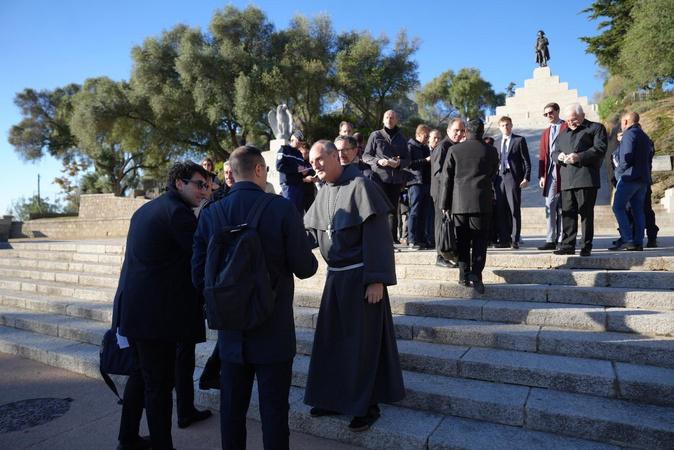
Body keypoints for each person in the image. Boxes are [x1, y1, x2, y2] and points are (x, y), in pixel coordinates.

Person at [192, 146, 318, 450]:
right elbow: (305, 269)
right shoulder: (282, 208)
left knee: (232, 412)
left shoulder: (211, 213)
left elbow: (198, 276)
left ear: (231, 174)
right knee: (275, 413)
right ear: (260, 170)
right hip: (274, 329)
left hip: (231, 333)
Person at [304, 140, 405, 432]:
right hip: (335, 279)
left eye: (320, 159)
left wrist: (377, 279)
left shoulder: (362, 186)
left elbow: (378, 238)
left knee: (363, 345)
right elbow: (310, 233)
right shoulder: (323, 193)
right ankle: (330, 397)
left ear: (336, 157)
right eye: (312, 162)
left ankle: (367, 405)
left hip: (362, 279)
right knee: (332, 342)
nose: (316, 166)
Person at [113, 161, 211, 450]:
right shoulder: (178, 214)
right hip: (157, 318)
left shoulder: (146, 209)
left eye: (206, 185)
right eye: (199, 184)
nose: (204, 191)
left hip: (137, 311)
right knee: (158, 386)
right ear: (179, 183)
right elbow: (199, 258)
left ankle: (127, 439)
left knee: (141, 378)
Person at [439, 119, 499, 294]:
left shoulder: (454, 150)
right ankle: (477, 275)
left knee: (463, 241)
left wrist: (444, 204)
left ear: (466, 131)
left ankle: (463, 275)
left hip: (459, 203)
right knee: (480, 242)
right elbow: (493, 173)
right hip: (482, 202)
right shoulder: (491, 151)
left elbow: (446, 180)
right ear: (482, 131)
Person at [552, 103, 607, 257]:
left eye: (574, 119)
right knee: (567, 214)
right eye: (568, 120)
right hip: (567, 179)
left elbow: (600, 149)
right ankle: (567, 245)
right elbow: (554, 153)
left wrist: (579, 156)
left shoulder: (596, 128)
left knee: (586, 214)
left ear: (583, 115)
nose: (571, 123)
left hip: (586, 178)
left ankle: (586, 246)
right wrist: (559, 157)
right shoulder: (563, 134)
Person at [362, 110, 410, 243]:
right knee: (379, 209)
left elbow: (408, 159)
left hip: (395, 179)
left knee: (393, 210)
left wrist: (399, 163)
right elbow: (365, 156)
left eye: (392, 117)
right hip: (379, 178)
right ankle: (378, 239)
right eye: (387, 117)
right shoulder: (375, 135)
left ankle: (392, 240)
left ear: (396, 120)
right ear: (383, 120)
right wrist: (378, 161)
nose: (389, 119)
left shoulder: (401, 137)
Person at [609, 112, 653, 251]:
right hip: (643, 179)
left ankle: (628, 239)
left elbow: (626, 158)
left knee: (618, 207)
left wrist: (618, 173)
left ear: (627, 121)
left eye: (622, 122)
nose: (621, 125)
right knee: (638, 210)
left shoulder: (629, 134)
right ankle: (638, 242)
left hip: (629, 177)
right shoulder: (644, 136)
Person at [431, 118, 465, 267]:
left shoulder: (456, 146)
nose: (459, 133)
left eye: (462, 130)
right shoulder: (443, 146)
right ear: (448, 130)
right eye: (456, 130)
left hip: (452, 192)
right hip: (441, 192)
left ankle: (449, 252)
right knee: (441, 224)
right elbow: (438, 173)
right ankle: (440, 256)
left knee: (448, 225)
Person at [494, 116, 531, 249]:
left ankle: (515, 239)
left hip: (513, 178)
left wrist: (526, 177)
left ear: (512, 125)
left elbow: (526, 160)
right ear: (499, 127)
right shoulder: (496, 142)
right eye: (503, 125)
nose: (506, 127)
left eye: (508, 125)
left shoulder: (519, 140)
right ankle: (504, 239)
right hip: (499, 178)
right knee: (500, 210)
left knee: (514, 209)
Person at [537, 103, 566, 251]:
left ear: (557, 111)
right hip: (550, 173)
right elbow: (543, 155)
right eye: (546, 114)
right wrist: (541, 175)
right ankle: (550, 239)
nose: (548, 116)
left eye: (550, 112)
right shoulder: (545, 133)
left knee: (563, 207)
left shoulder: (566, 127)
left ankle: (561, 238)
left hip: (565, 171)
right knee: (550, 205)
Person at [406, 124, 433, 249]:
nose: (428, 138)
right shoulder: (410, 146)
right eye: (426, 136)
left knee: (424, 212)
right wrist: (425, 160)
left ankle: (421, 239)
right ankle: (411, 239)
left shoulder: (425, 147)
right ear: (419, 134)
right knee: (414, 212)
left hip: (427, 183)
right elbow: (409, 164)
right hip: (415, 183)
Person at [276, 130, 312, 213]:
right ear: (292, 139)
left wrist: (304, 171)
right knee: (290, 212)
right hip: (288, 186)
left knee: (299, 214)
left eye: (301, 143)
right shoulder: (284, 149)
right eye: (299, 141)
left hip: (299, 186)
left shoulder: (299, 154)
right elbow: (279, 166)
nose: (300, 144)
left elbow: (301, 169)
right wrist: (297, 169)